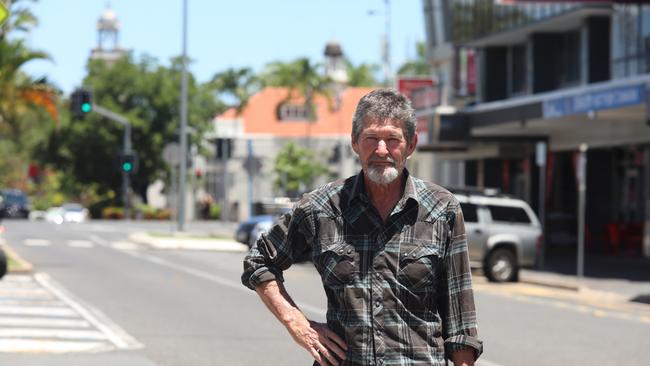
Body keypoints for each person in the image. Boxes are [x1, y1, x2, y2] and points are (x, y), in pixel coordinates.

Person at [242, 88, 483, 366]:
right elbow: (259, 262)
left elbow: (460, 324)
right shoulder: (320, 208)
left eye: (393, 139)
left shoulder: (443, 209)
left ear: (411, 145)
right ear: (355, 142)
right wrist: (297, 323)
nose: (381, 150)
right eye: (371, 138)